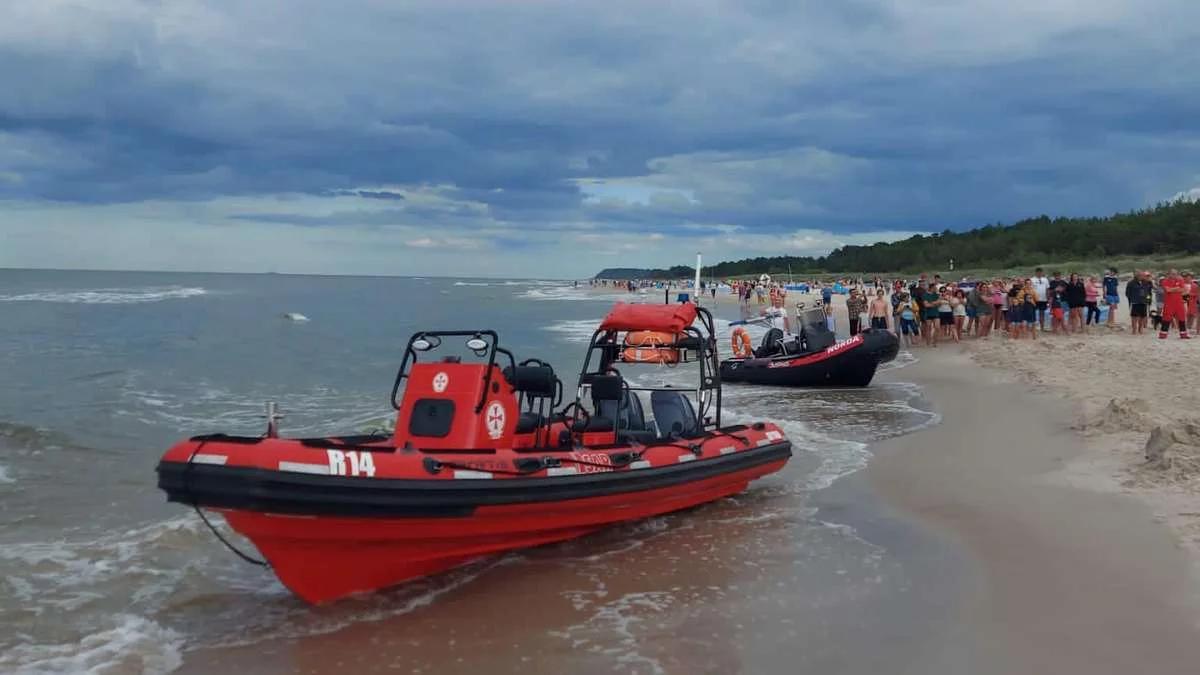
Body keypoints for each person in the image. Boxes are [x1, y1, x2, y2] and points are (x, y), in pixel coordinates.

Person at [1159, 268, 1191, 339]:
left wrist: (1172, 289)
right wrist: (1177, 288)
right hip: (1169, 303)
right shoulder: (1165, 281)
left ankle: (1183, 334)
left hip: (1179, 303)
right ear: (1169, 274)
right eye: (1173, 274)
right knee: (1166, 318)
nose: (1174, 275)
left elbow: (1183, 289)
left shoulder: (1180, 280)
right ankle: (1163, 334)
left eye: (1175, 274)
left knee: (1182, 318)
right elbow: (1167, 290)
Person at [1126, 271, 1152, 335]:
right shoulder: (1131, 283)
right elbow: (1127, 293)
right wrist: (1132, 299)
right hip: (1135, 302)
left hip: (1144, 302)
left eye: (1143, 276)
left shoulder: (1146, 283)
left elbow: (1149, 293)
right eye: (1141, 275)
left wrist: (1148, 300)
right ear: (1137, 276)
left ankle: (1140, 329)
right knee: (1134, 316)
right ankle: (1134, 330)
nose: (1143, 277)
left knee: (1142, 316)